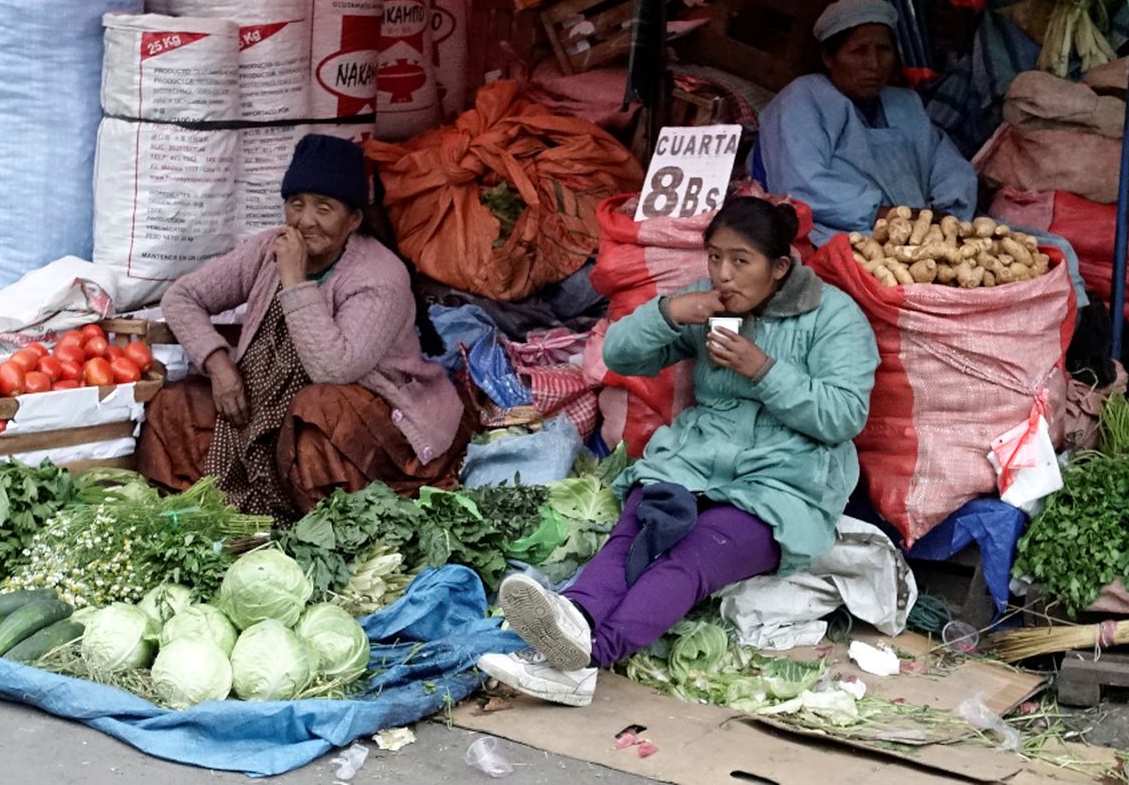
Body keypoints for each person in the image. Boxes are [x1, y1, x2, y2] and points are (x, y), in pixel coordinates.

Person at [476, 197, 879, 706]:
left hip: (784, 483)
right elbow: (618, 354)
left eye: (740, 261)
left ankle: (590, 656)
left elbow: (843, 416)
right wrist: (669, 313)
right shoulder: (705, 303)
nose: (724, 275)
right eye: (715, 257)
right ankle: (572, 620)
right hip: (695, 460)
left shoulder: (834, 317)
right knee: (640, 531)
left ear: (779, 268)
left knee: (686, 561)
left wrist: (763, 370)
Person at [136, 134, 471, 523]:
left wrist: (294, 280)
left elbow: (334, 370)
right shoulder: (268, 249)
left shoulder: (379, 277)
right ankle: (198, 520)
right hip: (262, 407)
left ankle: (315, 528)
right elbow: (182, 297)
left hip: (367, 419)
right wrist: (218, 365)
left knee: (316, 409)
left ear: (354, 220)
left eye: (324, 209)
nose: (305, 221)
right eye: (296, 205)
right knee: (175, 406)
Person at [754, 0, 977, 245]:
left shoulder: (906, 104)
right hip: (841, 236)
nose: (874, 64)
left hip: (922, 235)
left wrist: (945, 216)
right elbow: (801, 183)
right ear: (828, 57)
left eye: (884, 50)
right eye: (859, 51)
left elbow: (950, 167)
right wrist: (885, 215)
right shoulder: (802, 99)